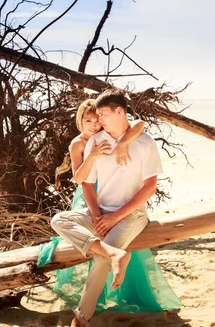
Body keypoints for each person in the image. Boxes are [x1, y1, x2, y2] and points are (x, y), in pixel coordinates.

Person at [49, 89, 181, 327]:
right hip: (99, 211)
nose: (99, 121)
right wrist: (98, 216)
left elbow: (150, 188)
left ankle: (81, 319)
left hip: (131, 215)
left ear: (119, 111)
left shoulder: (145, 143)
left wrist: (115, 217)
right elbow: (86, 182)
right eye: (96, 117)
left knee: (100, 260)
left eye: (102, 115)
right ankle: (113, 253)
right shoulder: (97, 142)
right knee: (59, 220)